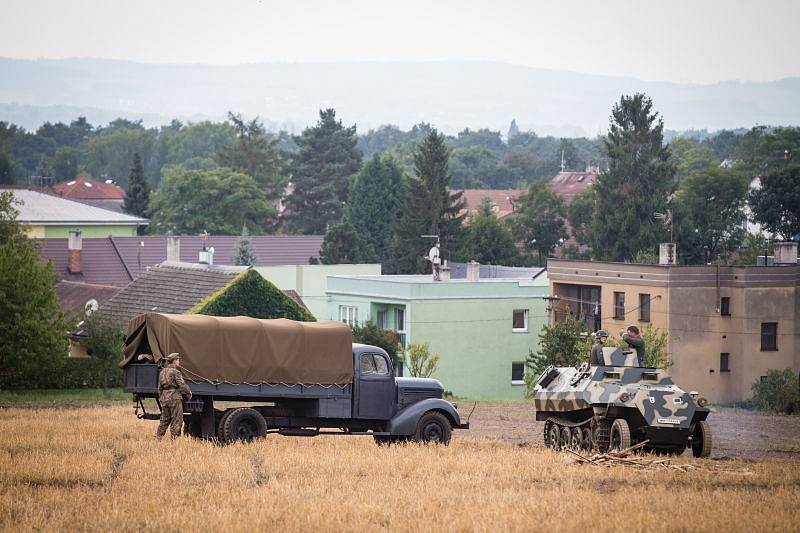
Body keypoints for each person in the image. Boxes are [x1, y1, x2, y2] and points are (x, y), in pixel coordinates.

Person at [156, 352, 192, 439]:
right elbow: (182, 385)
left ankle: (158, 437)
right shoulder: (176, 372)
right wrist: (189, 392)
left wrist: (162, 397)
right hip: (174, 397)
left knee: (164, 419)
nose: (179, 361)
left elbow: (159, 388)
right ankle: (174, 439)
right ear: (174, 361)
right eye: (178, 360)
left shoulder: (162, 372)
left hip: (164, 398)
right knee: (176, 419)